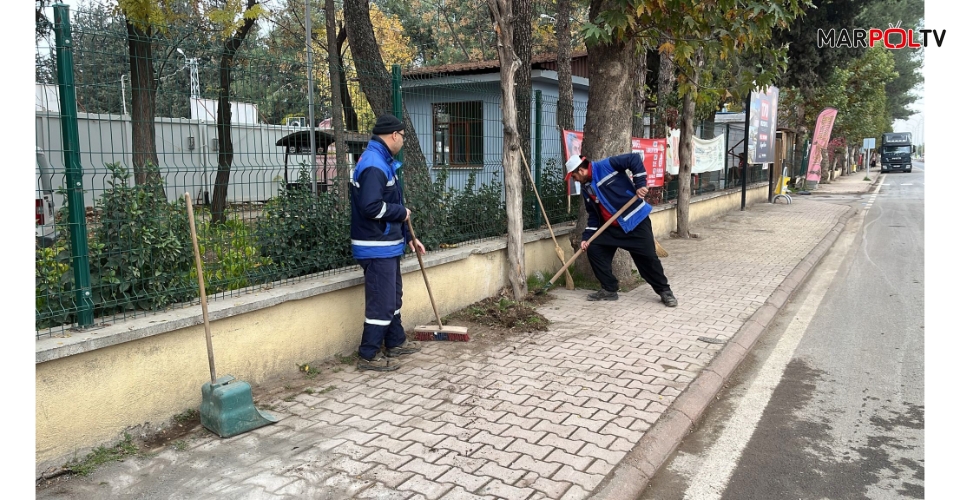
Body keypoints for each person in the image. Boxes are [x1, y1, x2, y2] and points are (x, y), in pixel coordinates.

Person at [350, 115, 426, 371]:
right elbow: (371, 206)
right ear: (394, 135)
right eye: (403, 136)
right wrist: (401, 213)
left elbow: (390, 204)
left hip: (387, 244)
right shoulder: (374, 163)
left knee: (392, 297)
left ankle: (395, 341)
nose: (403, 141)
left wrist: (409, 239)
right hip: (375, 246)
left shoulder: (381, 159)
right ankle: (368, 355)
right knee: (381, 302)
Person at [565, 152, 678, 307]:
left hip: (635, 221)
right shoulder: (587, 189)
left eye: (573, 176)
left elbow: (634, 159)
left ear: (581, 171)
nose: (574, 179)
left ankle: (665, 291)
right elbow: (593, 215)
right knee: (594, 247)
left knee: (648, 260)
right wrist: (587, 237)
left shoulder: (605, 166)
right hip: (611, 228)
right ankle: (609, 289)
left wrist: (640, 184)